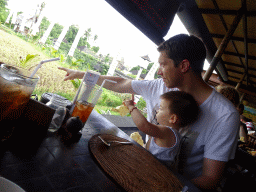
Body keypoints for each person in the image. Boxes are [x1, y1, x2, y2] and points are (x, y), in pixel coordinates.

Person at [58, 34, 240, 190]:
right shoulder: (160, 86)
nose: (159, 72)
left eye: (163, 64)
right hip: (138, 169)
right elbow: (121, 83)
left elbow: (210, 179)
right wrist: (83, 75)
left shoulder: (225, 116)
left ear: (184, 66)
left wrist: (163, 186)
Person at [124, 91, 199, 168]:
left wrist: (131, 106)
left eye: (160, 108)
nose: (157, 110)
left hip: (153, 171)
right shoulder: (170, 133)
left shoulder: (168, 132)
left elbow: (143, 125)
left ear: (172, 118)